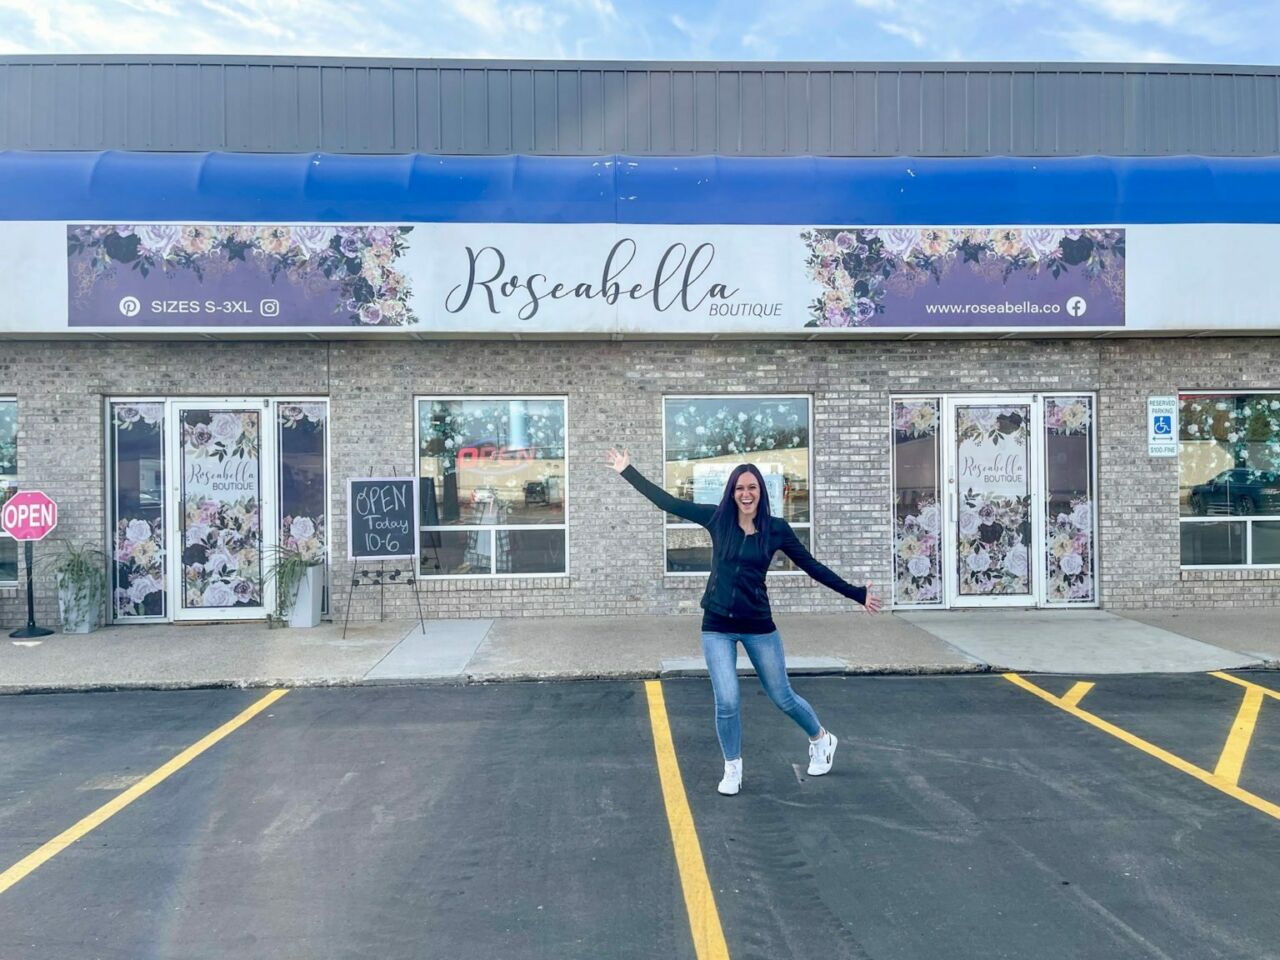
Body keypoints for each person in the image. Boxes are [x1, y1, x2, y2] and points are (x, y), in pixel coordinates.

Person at [606, 448, 882, 796]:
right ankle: (732, 768)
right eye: (739, 488)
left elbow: (813, 567)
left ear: (761, 493)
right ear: (732, 493)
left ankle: (822, 738)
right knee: (728, 700)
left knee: (782, 697)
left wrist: (857, 594)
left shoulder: (776, 530)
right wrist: (627, 470)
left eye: (752, 488)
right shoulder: (717, 519)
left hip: (758, 625)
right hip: (717, 624)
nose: (746, 494)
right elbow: (668, 503)